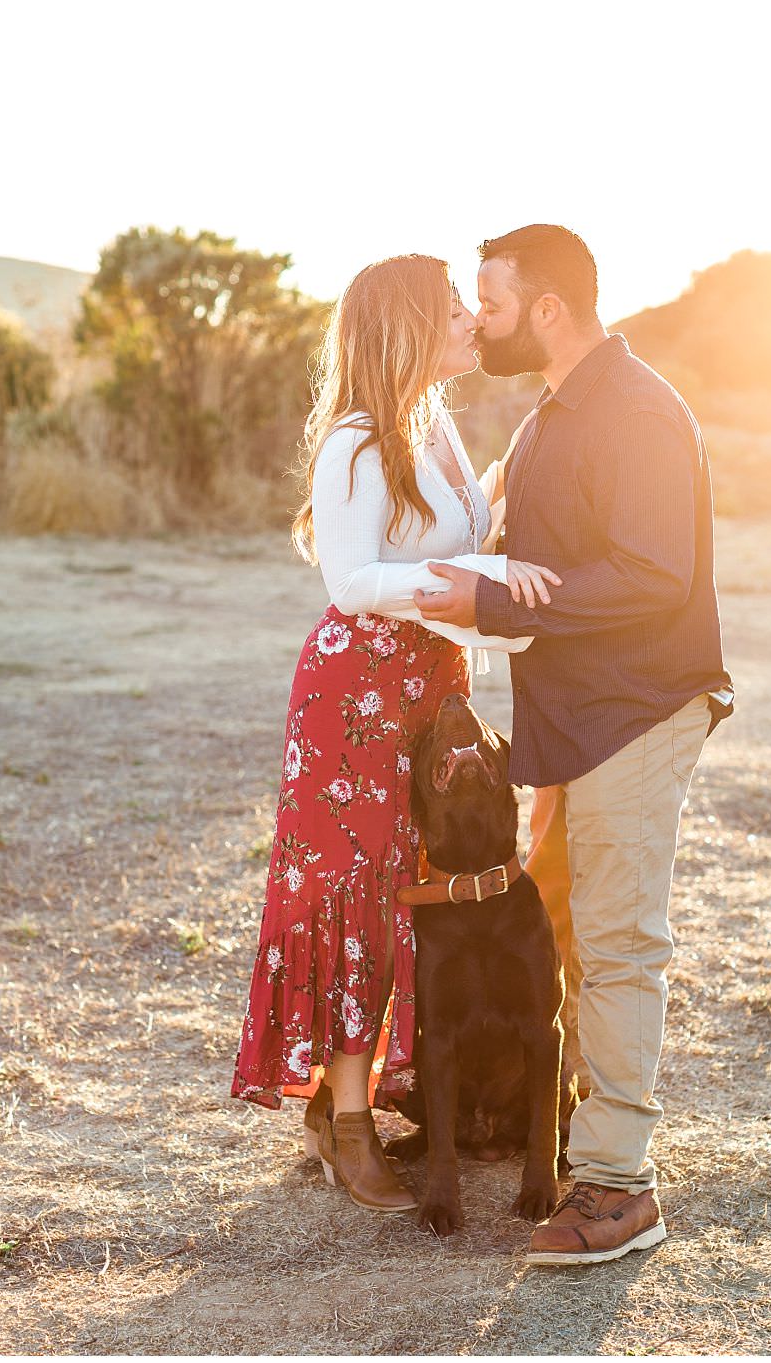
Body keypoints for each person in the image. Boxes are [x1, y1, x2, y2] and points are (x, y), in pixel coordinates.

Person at [416, 224, 733, 1265]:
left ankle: (617, 1188)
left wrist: (495, 592)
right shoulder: (551, 413)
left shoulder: (637, 410)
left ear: (547, 307)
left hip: (638, 708)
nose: (478, 318)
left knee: (617, 941)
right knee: (584, 938)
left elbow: (654, 575)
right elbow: (533, 563)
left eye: (490, 300)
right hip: (580, 716)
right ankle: (593, 1152)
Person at [230, 253, 560, 1215]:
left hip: (428, 685)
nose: (471, 319)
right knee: (362, 899)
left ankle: (387, 1089)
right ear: (411, 327)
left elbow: (466, 532)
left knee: (418, 893)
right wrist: (454, 587)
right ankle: (346, 1122)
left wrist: (507, 539)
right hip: (357, 691)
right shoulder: (355, 441)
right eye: (454, 307)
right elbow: (349, 579)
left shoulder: (436, 428)